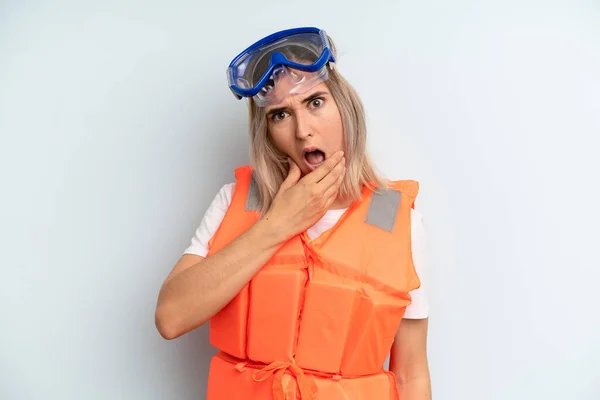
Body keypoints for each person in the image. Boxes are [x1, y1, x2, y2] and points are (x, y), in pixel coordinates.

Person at [155, 27, 432, 400]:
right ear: (265, 131)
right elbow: (170, 317)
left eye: (316, 102)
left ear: (344, 106)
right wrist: (277, 225)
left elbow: (410, 375)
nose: (303, 131)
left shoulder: (397, 220)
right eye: (280, 114)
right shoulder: (234, 202)